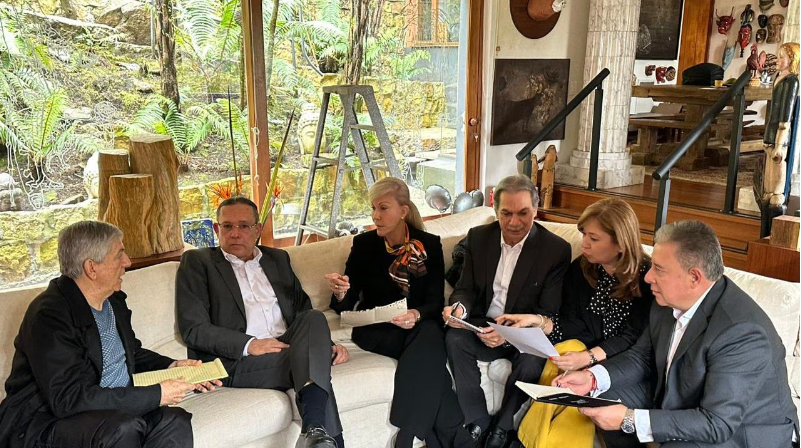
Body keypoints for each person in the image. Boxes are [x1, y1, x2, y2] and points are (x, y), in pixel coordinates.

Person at [557, 220, 799, 448]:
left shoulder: (740, 332)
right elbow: (641, 356)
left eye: (659, 270)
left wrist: (630, 418)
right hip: (683, 398)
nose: (648, 277)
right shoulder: (667, 299)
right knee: (605, 398)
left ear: (694, 277)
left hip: (742, 431)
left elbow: (718, 423)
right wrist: (592, 377)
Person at [0, 221, 219, 448]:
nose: (127, 263)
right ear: (91, 268)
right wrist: (157, 394)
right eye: (119, 255)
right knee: (123, 428)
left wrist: (173, 366)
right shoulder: (49, 316)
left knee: (174, 420)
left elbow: (131, 353)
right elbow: (68, 398)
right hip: (45, 421)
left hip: (111, 409)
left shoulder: (112, 299)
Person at [176, 197, 349, 448]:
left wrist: (326, 344)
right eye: (227, 226)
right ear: (216, 229)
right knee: (312, 362)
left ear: (257, 229)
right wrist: (250, 344)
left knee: (314, 317)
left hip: (287, 344)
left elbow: (302, 312)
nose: (235, 233)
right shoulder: (198, 262)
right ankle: (322, 435)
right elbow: (194, 329)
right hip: (237, 359)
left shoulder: (277, 259)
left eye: (244, 226)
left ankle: (313, 432)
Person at [326, 177, 471, 448]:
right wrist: (341, 292)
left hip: (417, 325)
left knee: (428, 334)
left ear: (403, 211)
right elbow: (345, 305)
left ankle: (410, 433)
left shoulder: (429, 244)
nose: (375, 216)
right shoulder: (364, 244)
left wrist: (415, 314)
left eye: (383, 208)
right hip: (377, 329)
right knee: (430, 357)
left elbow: (434, 302)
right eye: (373, 208)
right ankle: (454, 437)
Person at [510, 198, 655, 448]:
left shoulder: (648, 277)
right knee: (559, 366)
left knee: (576, 383)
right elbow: (572, 324)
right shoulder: (582, 268)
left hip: (627, 362)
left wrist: (588, 358)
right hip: (585, 350)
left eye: (594, 238)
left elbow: (634, 339)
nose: (584, 243)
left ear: (620, 243)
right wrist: (539, 321)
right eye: (583, 234)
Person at [443, 174, 572, 448]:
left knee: (533, 361)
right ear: (495, 210)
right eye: (506, 213)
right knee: (454, 339)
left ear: (535, 209)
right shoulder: (478, 237)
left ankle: (501, 429)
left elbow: (548, 311)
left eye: (523, 213)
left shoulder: (555, 250)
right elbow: (466, 288)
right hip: (484, 323)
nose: (514, 222)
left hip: (524, 332)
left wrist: (507, 334)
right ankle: (477, 419)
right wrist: (459, 308)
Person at [754, 41, 799, 236]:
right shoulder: (778, 78)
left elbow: (785, 116)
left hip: (780, 137)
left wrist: (780, 143)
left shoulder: (791, 81)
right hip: (770, 133)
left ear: (792, 59)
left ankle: (772, 232)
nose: (778, 60)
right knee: (767, 189)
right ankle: (764, 231)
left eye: (782, 57)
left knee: (776, 191)